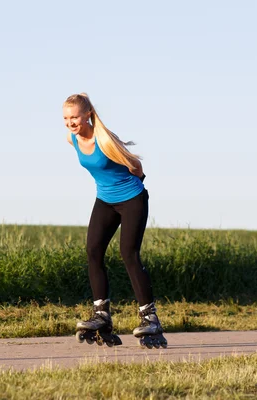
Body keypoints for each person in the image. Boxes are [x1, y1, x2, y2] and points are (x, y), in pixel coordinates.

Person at [64, 92, 167, 348]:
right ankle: (101, 315)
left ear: (87, 115)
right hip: (105, 200)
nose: (70, 122)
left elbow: (135, 165)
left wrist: (137, 187)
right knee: (93, 251)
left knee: (128, 253)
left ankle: (149, 317)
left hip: (132, 198)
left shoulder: (105, 140)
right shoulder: (72, 139)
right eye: (66, 118)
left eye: (74, 117)